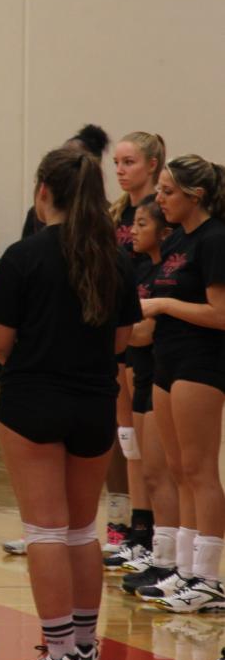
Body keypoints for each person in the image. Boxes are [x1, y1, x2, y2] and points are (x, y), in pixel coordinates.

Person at [0, 145, 140, 660]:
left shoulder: (24, 257)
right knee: (80, 531)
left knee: (43, 532)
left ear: (43, 193)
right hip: (94, 402)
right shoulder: (115, 258)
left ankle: (59, 654)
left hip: (32, 401)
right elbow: (122, 340)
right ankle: (85, 647)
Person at [139, 156, 225, 624]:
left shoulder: (214, 239)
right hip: (166, 360)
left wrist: (166, 304)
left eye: (168, 191)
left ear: (195, 195)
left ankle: (210, 580)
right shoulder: (176, 242)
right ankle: (190, 571)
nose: (159, 199)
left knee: (199, 468)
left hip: (201, 361)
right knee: (177, 467)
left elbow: (221, 314)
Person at [115, 199, 177, 585]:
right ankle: (153, 548)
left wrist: (98, 332)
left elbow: (143, 331)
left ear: (163, 232)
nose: (132, 231)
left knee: (162, 472)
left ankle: (170, 560)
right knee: (145, 466)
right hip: (140, 374)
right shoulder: (140, 269)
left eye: (141, 224)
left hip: (162, 374)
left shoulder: (164, 277)